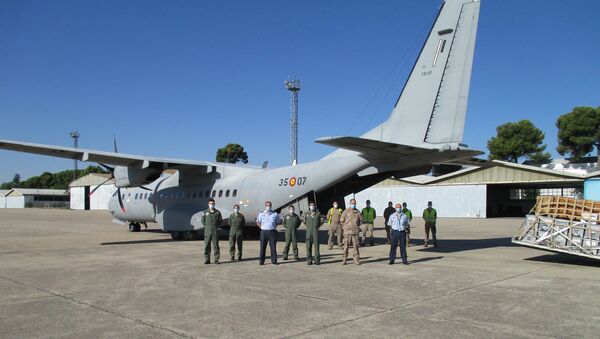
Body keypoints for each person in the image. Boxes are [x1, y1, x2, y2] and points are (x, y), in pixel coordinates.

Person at [256, 201, 281, 265]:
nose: (268, 206)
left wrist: (274, 226)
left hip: (272, 231)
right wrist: (261, 228)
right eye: (267, 205)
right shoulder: (261, 214)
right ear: (265, 206)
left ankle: (274, 261)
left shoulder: (275, 214)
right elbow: (258, 222)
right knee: (262, 247)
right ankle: (261, 261)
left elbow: (278, 221)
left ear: (271, 206)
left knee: (273, 247)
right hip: (264, 232)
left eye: (269, 205)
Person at [340, 198, 363, 265]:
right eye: (352, 203)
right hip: (347, 232)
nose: (354, 204)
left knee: (356, 246)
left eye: (354, 203)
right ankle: (344, 259)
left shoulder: (358, 211)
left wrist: (357, 226)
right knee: (346, 246)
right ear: (350, 204)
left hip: (355, 231)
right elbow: (341, 220)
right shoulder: (346, 211)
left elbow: (361, 220)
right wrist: (344, 228)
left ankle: (356, 259)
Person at [201, 198, 222, 265]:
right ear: (208, 204)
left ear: (214, 204)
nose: (211, 205)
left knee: (215, 246)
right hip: (207, 232)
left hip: (215, 232)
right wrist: (208, 227)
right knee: (207, 245)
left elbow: (220, 221)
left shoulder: (217, 213)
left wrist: (214, 227)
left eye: (212, 203)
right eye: (210, 203)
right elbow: (203, 221)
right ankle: (207, 259)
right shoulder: (205, 212)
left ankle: (216, 259)